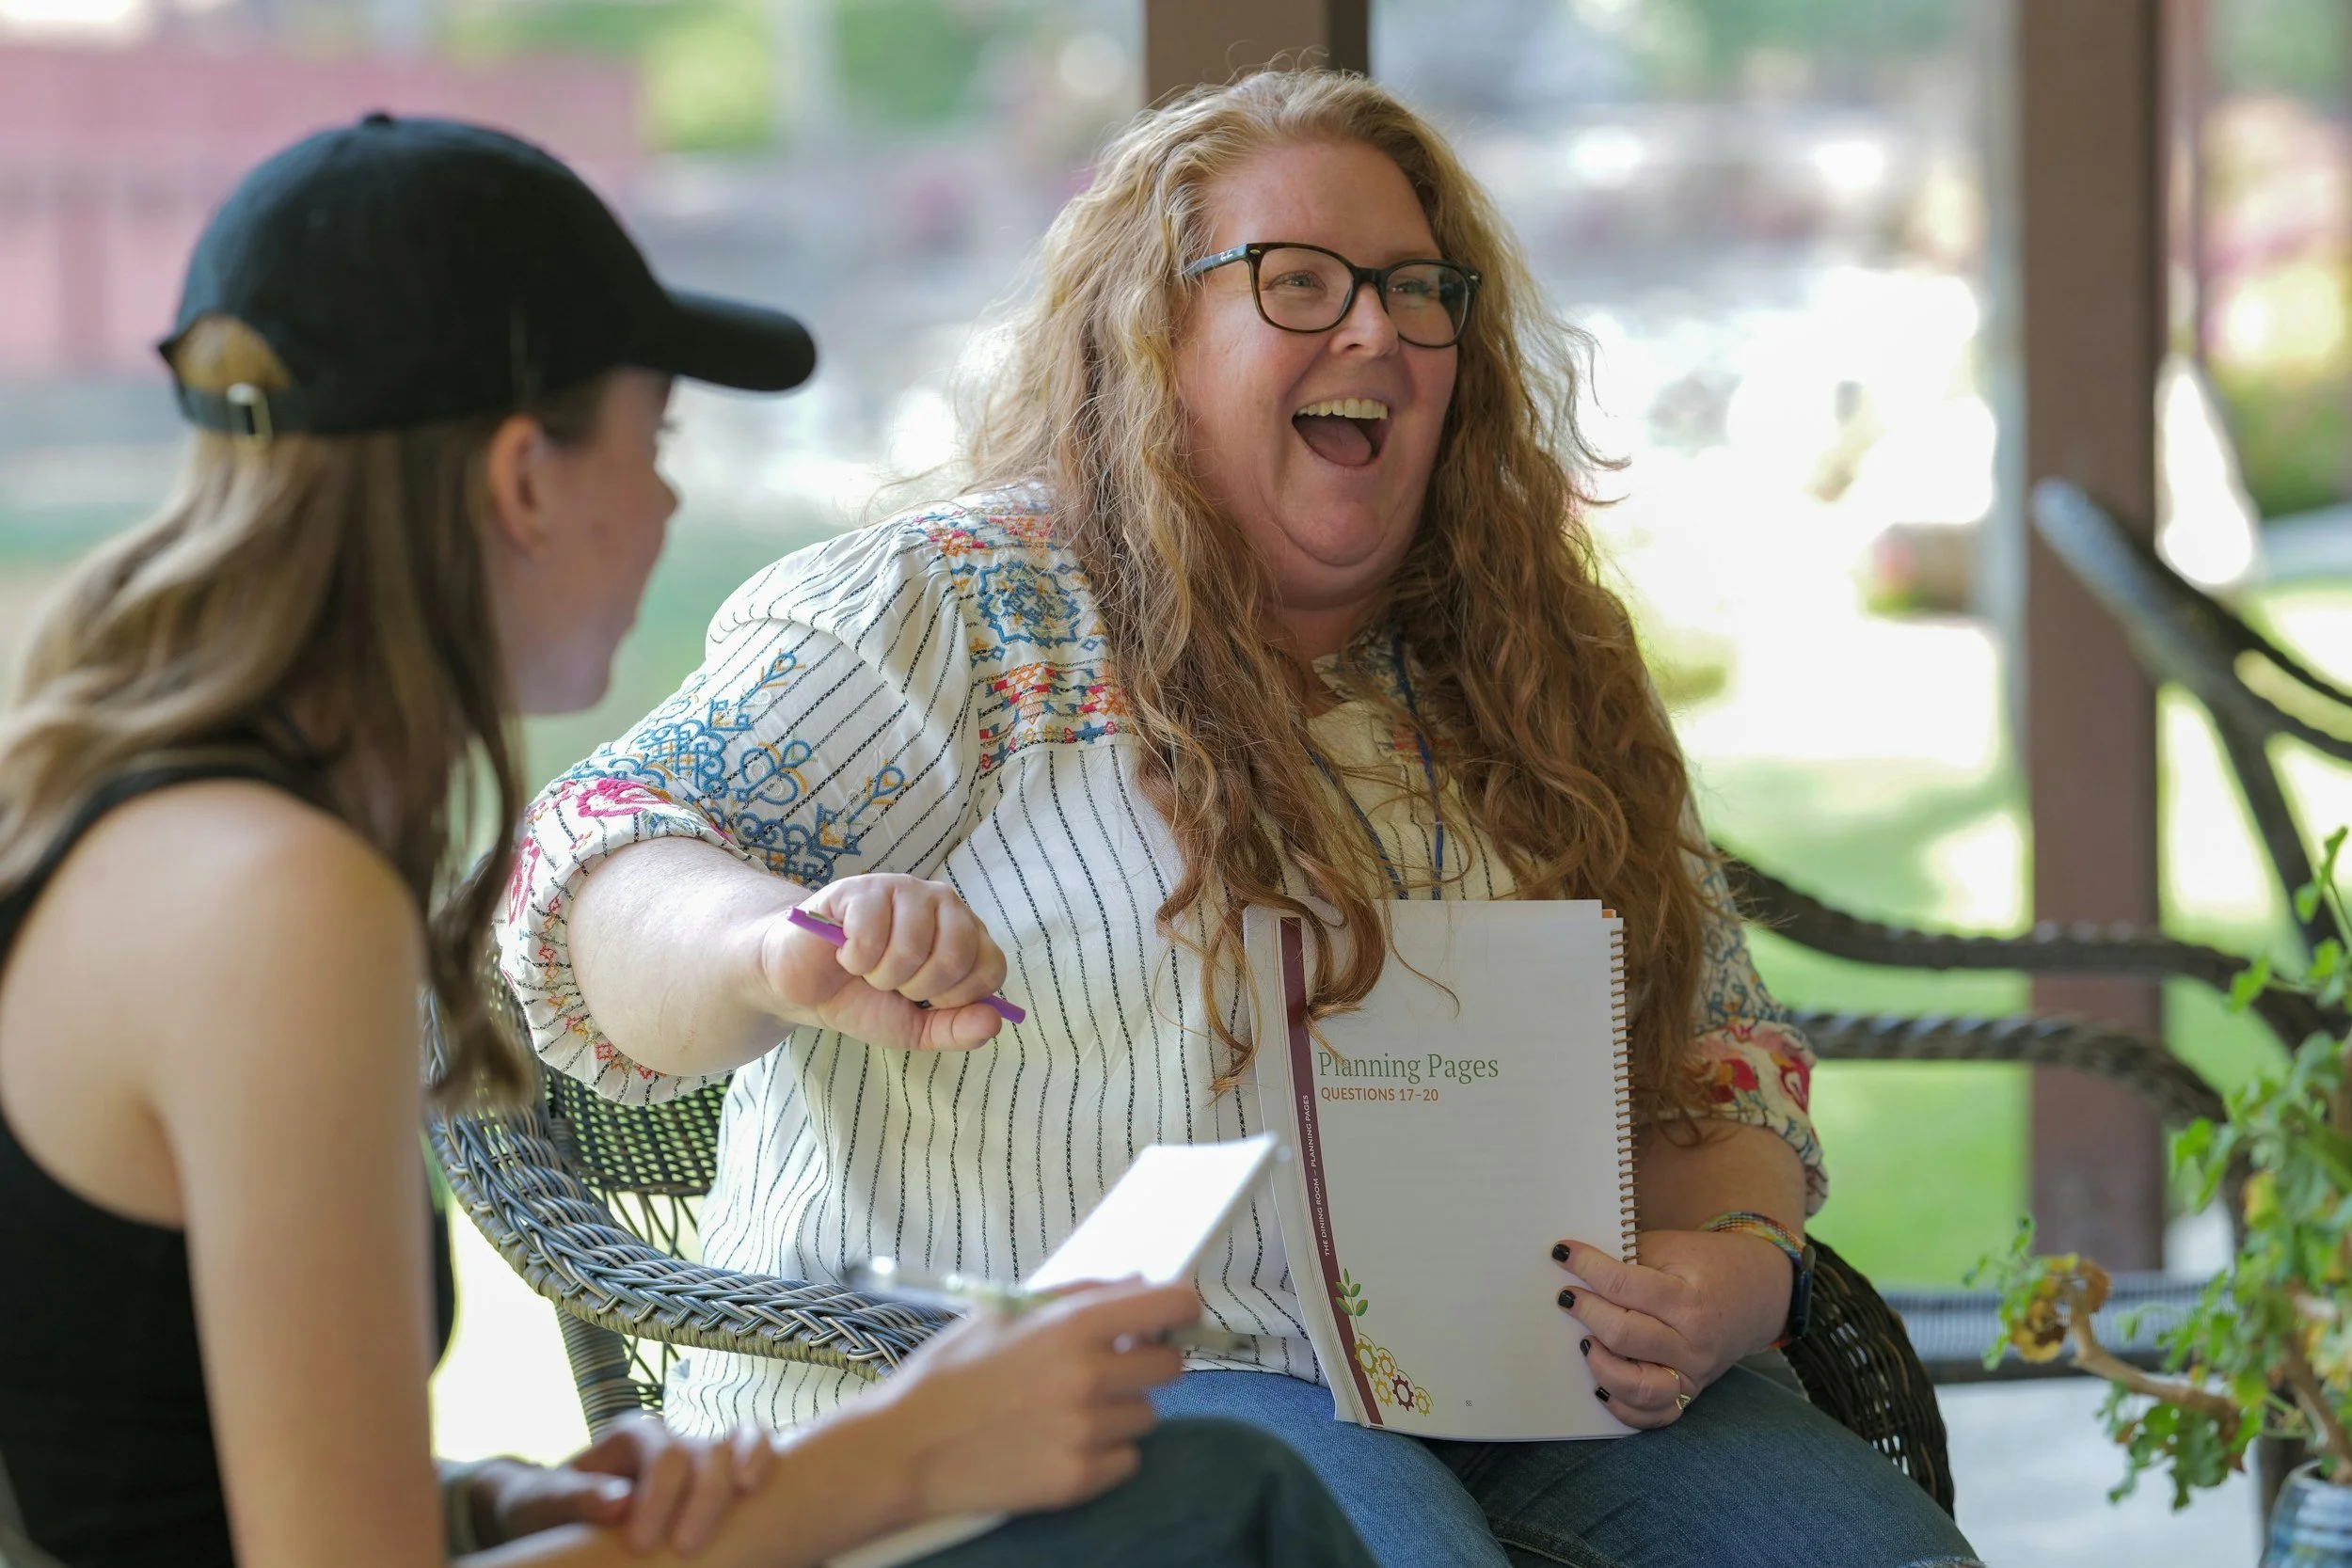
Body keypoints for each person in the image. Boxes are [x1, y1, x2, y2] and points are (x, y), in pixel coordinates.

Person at [503, 70, 1988, 1568]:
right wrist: (775, 943)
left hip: (1526, 1384)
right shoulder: (955, 612)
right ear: (1152, 335)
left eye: (1419, 290)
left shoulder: (1541, 664)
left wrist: (1738, 1270)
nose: (1378, 330)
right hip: (1030, 1396)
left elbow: (1709, 1071)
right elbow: (590, 873)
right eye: (1299, 282)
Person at [0, 114, 1376, 1568]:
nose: (664, 500)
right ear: (524, 479)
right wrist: (896, 1453)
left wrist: (503, 1497)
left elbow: (138, 1454)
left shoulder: (124, 819)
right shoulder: (281, 901)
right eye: (652, 440)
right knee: (1229, 1504)